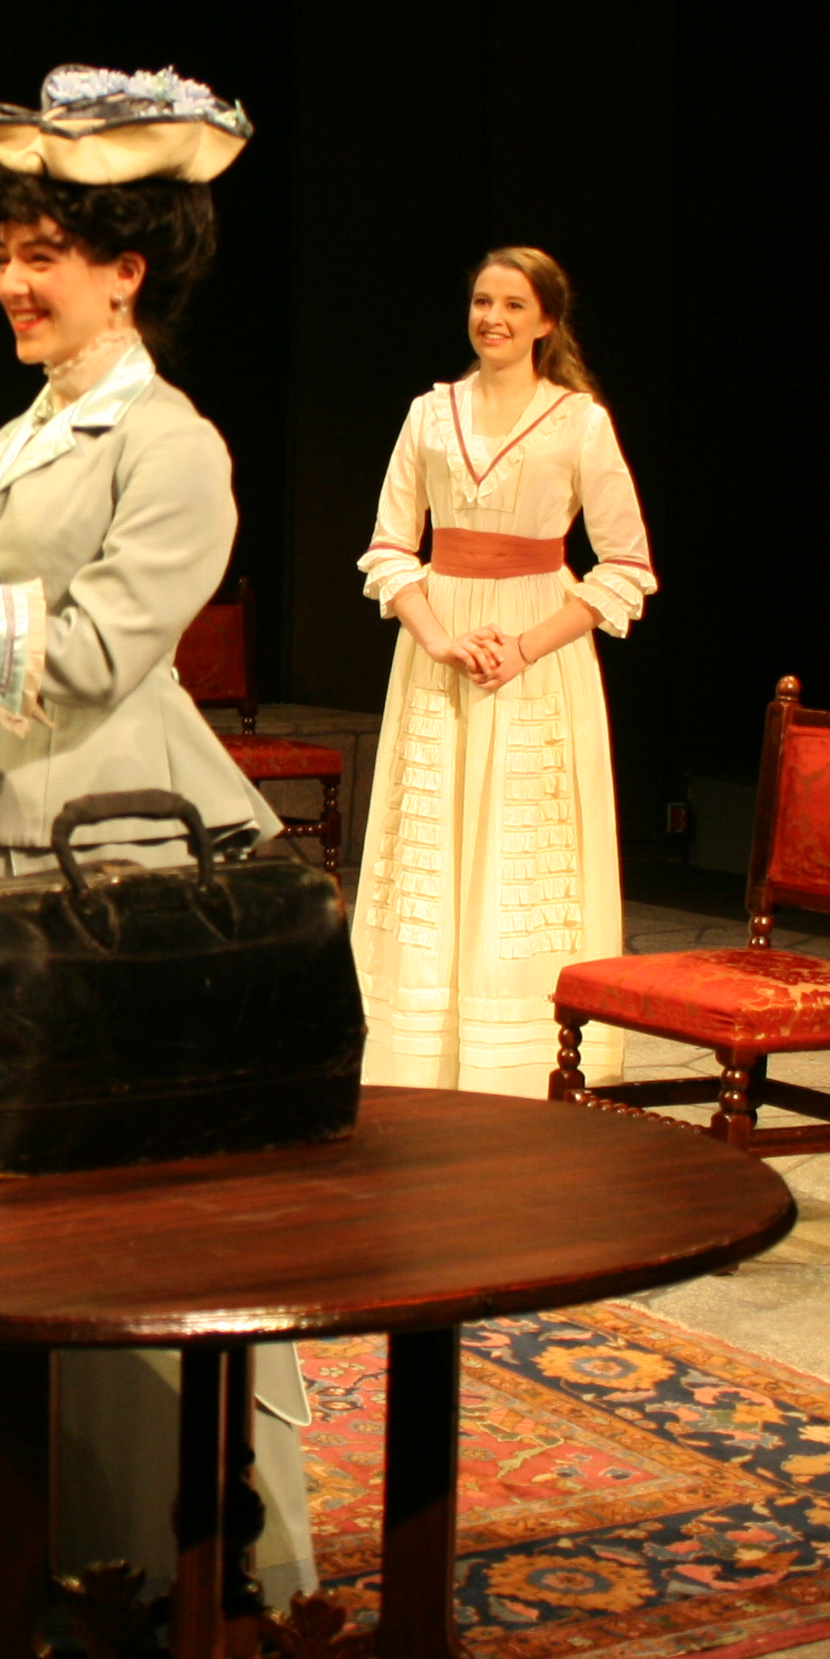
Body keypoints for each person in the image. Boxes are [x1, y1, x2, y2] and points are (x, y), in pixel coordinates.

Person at [0, 64, 314, 1641]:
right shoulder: (20, 434)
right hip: (0, 837)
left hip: (120, 849)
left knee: (113, 1228)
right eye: (4, 251)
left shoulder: (172, 447)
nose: (15, 281)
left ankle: (140, 1551)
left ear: (130, 269)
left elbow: (96, 655)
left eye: (47, 252)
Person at [352, 247, 656, 1093]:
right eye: (483, 302)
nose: (493, 317)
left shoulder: (578, 422)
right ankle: (417, 1057)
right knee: (432, 842)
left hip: (537, 659)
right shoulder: (430, 413)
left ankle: (520, 1063)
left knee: (520, 847)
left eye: (514, 305)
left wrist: (526, 644)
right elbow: (387, 545)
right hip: (438, 649)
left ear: (545, 321)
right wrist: (439, 633)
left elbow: (625, 565)